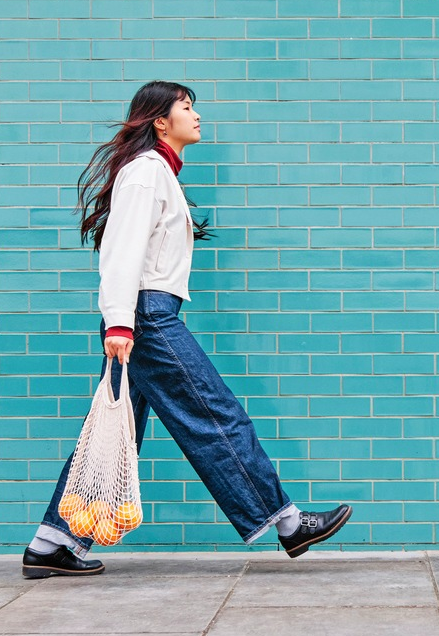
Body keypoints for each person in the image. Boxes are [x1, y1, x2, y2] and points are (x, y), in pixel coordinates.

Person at [21, 81, 352, 578]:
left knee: (116, 434)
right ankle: (287, 523)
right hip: (145, 319)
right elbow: (121, 252)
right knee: (215, 413)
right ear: (161, 120)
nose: (196, 116)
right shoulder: (145, 172)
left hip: (144, 316)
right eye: (187, 107)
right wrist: (120, 323)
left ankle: (52, 543)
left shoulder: (159, 172)